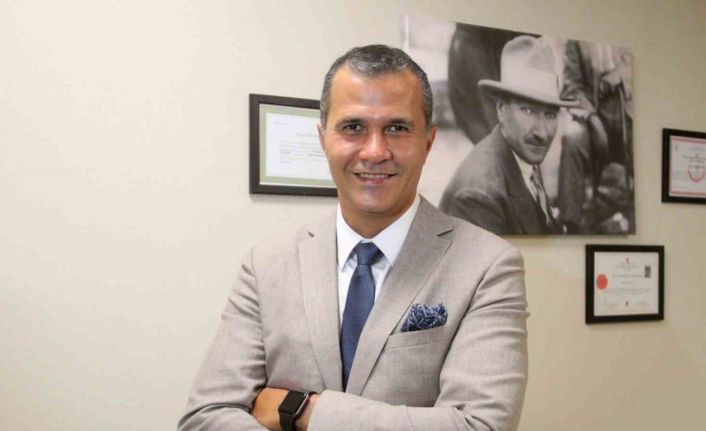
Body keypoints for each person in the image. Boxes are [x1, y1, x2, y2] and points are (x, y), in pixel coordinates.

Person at [178, 45, 529, 431]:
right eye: (353, 127)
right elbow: (206, 417)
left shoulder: (487, 266)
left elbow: (481, 426)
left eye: (397, 128)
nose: (375, 151)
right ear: (322, 138)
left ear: (427, 142)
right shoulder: (265, 264)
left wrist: (302, 410)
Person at [439, 36, 577, 236]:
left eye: (550, 114)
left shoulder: (520, 152)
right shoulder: (478, 197)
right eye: (528, 111)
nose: (542, 133)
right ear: (501, 110)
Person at [557, 39, 633, 233]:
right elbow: (571, 87)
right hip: (592, 118)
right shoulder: (575, 42)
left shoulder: (629, 36)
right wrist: (592, 119)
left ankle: (637, 219)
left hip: (627, 117)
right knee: (573, 140)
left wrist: (621, 75)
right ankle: (570, 224)